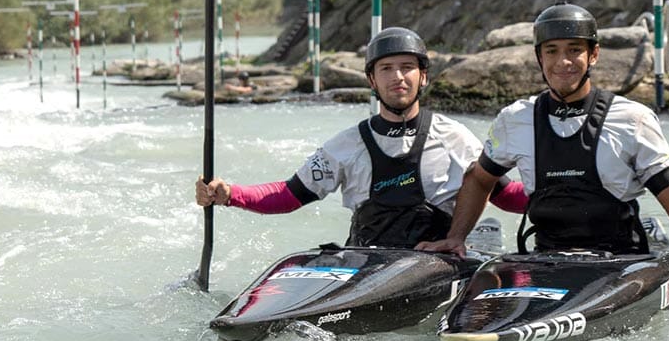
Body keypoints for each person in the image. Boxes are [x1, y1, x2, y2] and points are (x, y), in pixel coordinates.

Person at [417, 2, 669, 265]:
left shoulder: (632, 118)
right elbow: (480, 179)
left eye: (575, 50)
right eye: (551, 51)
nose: (563, 62)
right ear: (539, 58)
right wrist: (455, 237)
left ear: (594, 54)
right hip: (547, 257)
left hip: (621, 261)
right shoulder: (516, 119)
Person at [197, 26, 527, 248]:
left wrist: (568, 196)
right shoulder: (345, 145)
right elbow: (289, 194)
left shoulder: (454, 136)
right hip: (368, 261)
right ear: (371, 79)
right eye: (386, 69)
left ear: (423, 76)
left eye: (407, 67)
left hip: (435, 259)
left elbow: (504, 194)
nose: (397, 77)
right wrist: (230, 194)